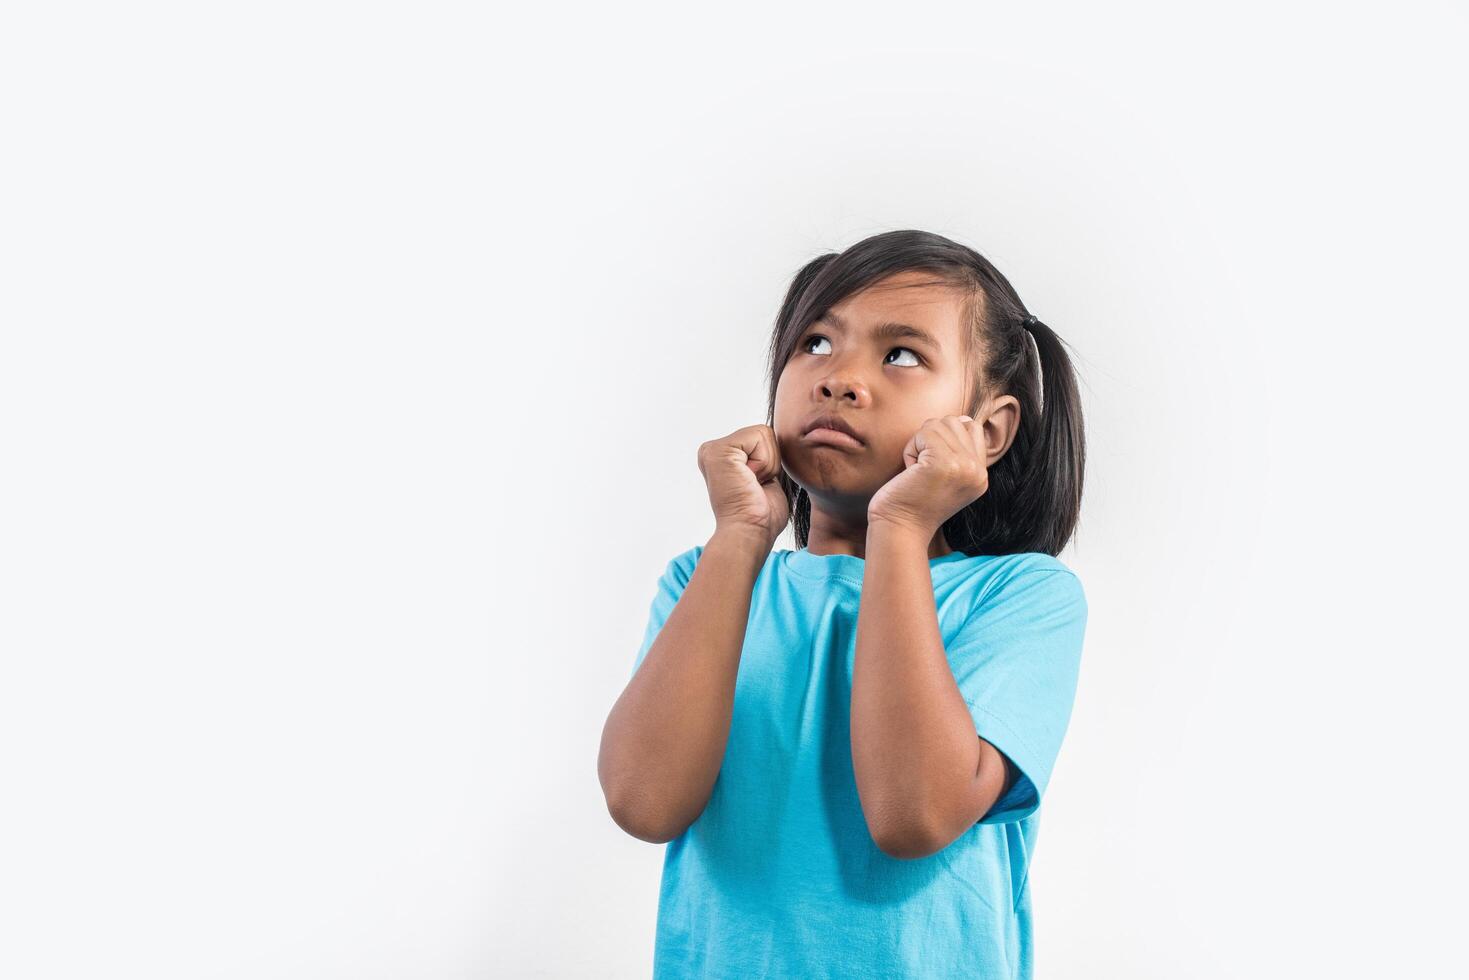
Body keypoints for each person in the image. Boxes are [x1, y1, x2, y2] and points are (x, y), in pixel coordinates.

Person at [598, 228, 1090, 979]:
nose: (838, 378)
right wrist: (739, 534)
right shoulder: (709, 581)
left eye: (900, 355)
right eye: (816, 344)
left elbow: (912, 816)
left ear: (986, 431)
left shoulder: (1018, 596)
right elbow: (643, 802)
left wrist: (899, 525)